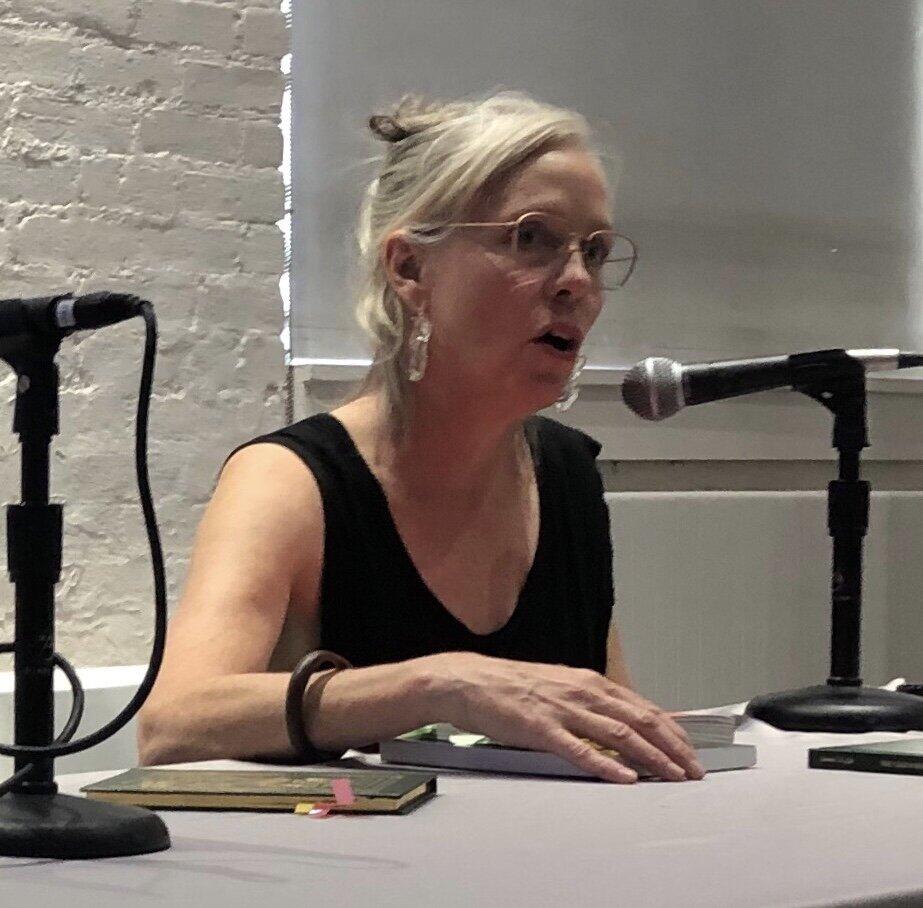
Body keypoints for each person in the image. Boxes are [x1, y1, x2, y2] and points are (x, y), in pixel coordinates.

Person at [138, 91, 704, 784]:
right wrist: (441, 687)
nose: (577, 282)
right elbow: (173, 725)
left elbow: (607, 730)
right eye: (532, 237)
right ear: (408, 268)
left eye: (595, 249)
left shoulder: (567, 474)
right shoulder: (289, 480)